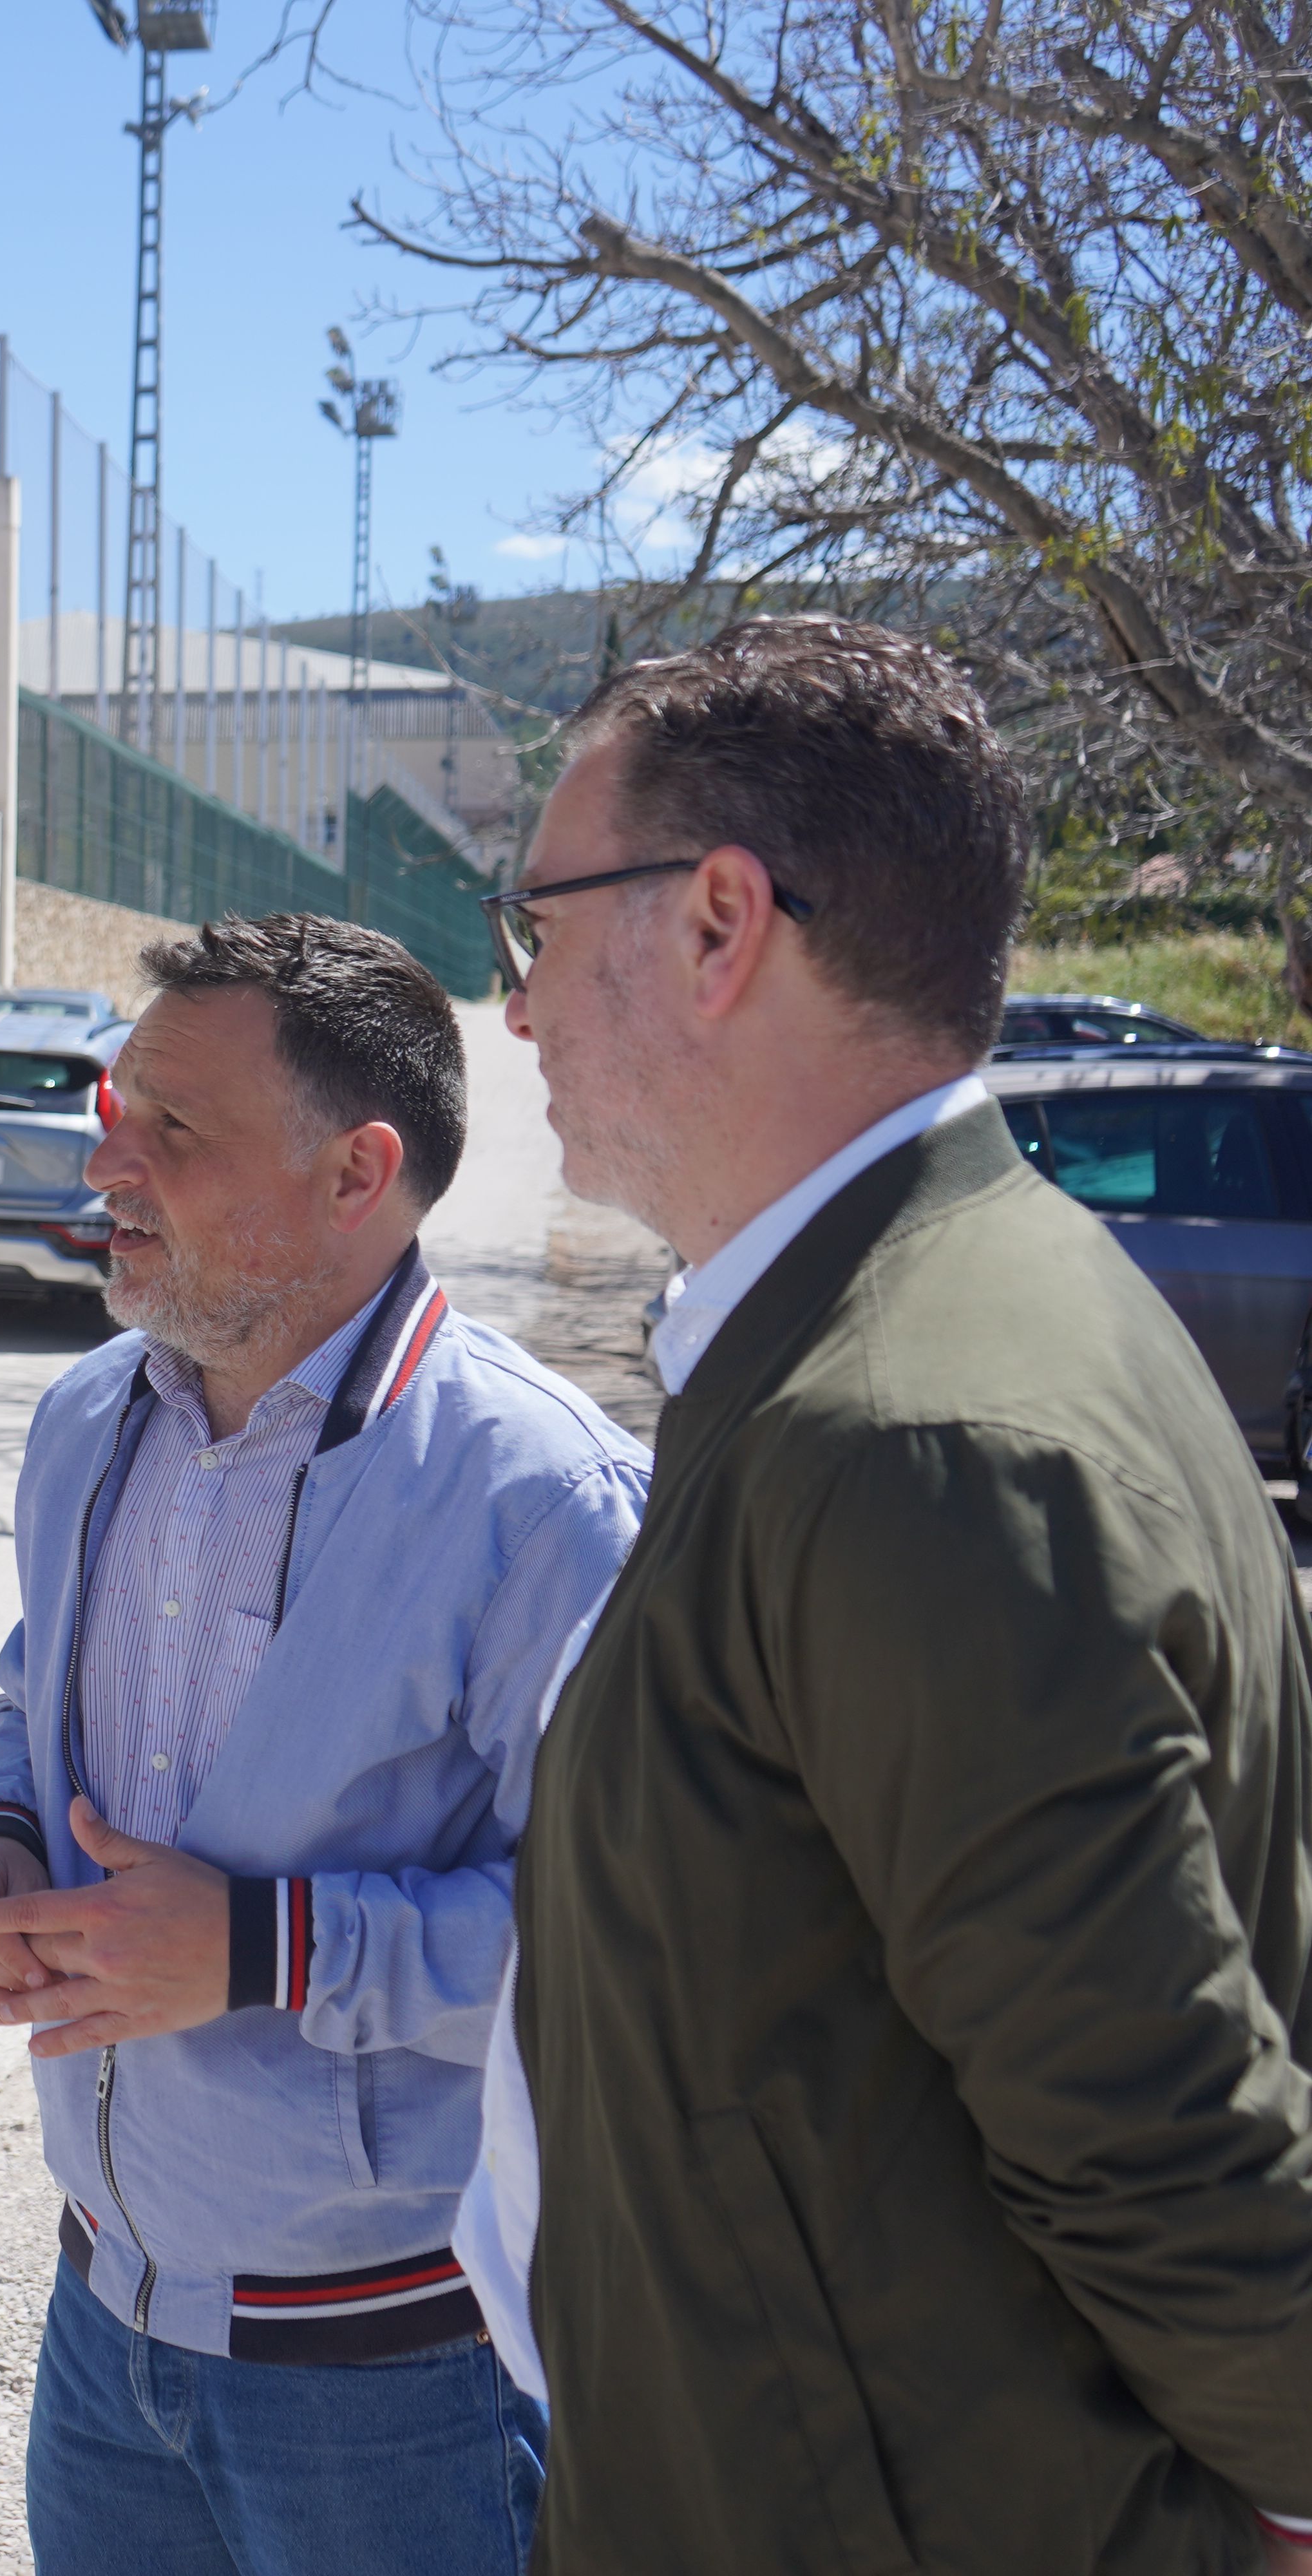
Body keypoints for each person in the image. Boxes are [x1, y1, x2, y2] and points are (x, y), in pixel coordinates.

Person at [479, 616, 1312, 2573]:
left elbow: (1158, 2121)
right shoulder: (910, 1314)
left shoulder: (904, 1427)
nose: (513, 1011)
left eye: (536, 931)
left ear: (716, 926)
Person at [0, 914, 647, 2576]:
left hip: (398, 2389)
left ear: (356, 1173)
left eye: (174, 1130)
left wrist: (261, 1946)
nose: (110, 1157)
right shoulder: (90, 1417)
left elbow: (644, 1949)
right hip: (102, 2334)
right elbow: (33, 1692)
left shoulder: (545, 1504)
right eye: (119, 1109)